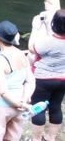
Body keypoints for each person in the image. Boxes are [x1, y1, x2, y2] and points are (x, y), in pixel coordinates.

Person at [0, 20, 35, 141]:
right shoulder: (21, 54)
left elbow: (3, 91)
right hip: (18, 105)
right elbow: (30, 80)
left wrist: (20, 104)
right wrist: (24, 100)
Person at [28, 9, 65, 141]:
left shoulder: (48, 41)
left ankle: (37, 138)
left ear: (53, 23)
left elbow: (32, 48)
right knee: (56, 107)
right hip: (62, 79)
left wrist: (35, 28)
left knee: (38, 107)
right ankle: (51, 137)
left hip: (43, 78)